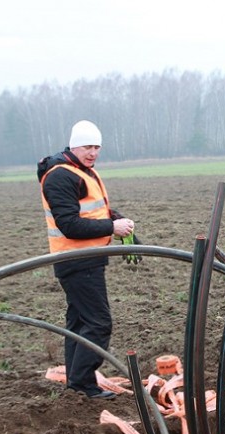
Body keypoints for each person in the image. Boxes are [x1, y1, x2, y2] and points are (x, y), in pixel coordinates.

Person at [37, 120, 136, 400]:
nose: (93, 152)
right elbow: (69, 224)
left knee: (80, 323)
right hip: (77, 260)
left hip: (88, 259)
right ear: (73, 146)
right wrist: (111, 228)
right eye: (87, 147)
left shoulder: (80, 171)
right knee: (98, 323)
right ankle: (83, 384)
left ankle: (77, 384)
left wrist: (114, 218)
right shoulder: (61, 176)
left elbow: (89, 212)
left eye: (97, 147)